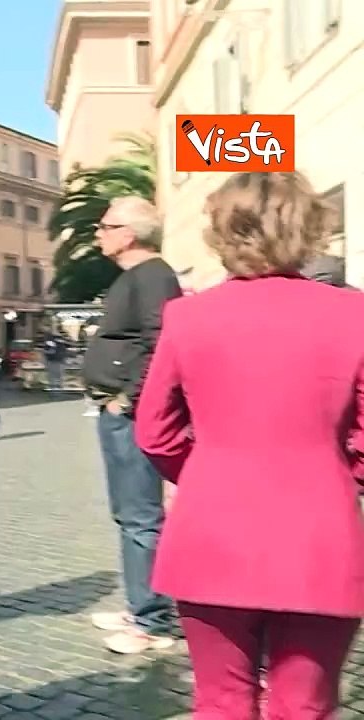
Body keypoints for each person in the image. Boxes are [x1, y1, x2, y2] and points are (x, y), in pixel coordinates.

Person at [135, 171, 364, 717]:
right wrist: (339, 474)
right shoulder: (354, 314)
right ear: (308, 231)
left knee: (220, 702)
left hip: (212, 528)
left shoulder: (188, 316)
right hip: (320, 532)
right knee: (304, 706)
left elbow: (154, 431)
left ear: (223, 233)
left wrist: (207, 470)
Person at [82, 196, 182, 655]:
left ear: (129, 233)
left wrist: (128, 401)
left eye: (106, 225)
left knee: (141, 518)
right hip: (118, 411)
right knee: (131, 516)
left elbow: (161, 343)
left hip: (130, 415)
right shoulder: (137, 278)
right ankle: (141, 604)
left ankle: (153, 620)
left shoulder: (154, 277)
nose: (99, 233)